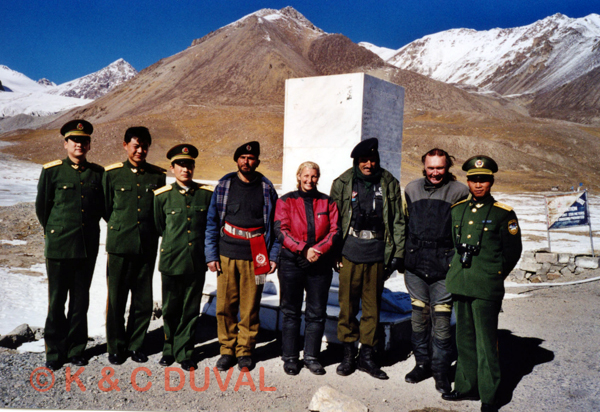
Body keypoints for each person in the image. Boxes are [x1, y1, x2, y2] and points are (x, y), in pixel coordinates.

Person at [442, 155, 522, 412]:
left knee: (487, 341)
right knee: (463, 338)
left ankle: (490, 395)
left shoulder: (503, 214)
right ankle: (466, 387)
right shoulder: (457, 210)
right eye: (474, 180)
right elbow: (452, 245)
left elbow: (512, 252)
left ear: (491, 182)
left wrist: (494, 274)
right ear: (467, 181)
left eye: (484, 180)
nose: (478, 185)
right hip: (461, 283)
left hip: (486, 286)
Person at [330, 137, 405, 380]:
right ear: (357, 162)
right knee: (348, 306)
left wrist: (396, 256)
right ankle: (348, 354)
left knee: (372, 308)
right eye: (364, 160)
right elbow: (332, 219)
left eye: (372, 160)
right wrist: (334, 251)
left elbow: (398, 222)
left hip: (377, 254)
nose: (369, 165)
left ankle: (368, 357)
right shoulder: (342, 183)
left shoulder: (389, 183)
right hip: (349, 252)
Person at [35, 120, 105, 370]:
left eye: (84, 140)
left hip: (86, 247)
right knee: (56, 301)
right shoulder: (52, 171)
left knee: (80, 301)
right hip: (59, 247)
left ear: (89, 144)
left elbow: (101, 208)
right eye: (74, 140)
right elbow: (43, 208)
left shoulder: (97, 173)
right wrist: (56, 233)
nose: (79, 144)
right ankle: (54, 351)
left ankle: (76, 349)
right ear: (65, 143)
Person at [205, 141, 280, 371]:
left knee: (250, 306)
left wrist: (273, 255)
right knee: (225, 305)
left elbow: (276, 227)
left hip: (257, 254)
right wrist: (211, 254)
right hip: (227, 252)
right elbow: (212, 222)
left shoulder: (267, 189)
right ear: (237, 160)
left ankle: (246, 351)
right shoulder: (224, 185)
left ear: (257, 161)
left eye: (251, 158)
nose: (247, 162)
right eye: (243, 158)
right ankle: (227, 350)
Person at [403, 148, 469, 393]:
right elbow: (404, 224)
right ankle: (422, 364)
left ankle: (440, 371)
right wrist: (402, 258)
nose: (435, 172)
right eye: (430, 167)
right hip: (416, 263)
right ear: (424, 166)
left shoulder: (460, 191)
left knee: (441, 320)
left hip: (445, 265)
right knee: (418, 317)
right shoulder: (411, 189)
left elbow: (464, 229)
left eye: (439, 168)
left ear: (447, 167)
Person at [103, 126, 166, 365]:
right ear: (125, 145)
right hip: (119, 245)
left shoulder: (157, 176)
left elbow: (157, 209)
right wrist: (123, 227)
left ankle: (136, 345)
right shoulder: (112, 174)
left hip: (147, 245)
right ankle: (116, 347)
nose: (140, 150)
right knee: (117, 299)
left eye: (144, 146)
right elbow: (108, 209)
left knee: (142, 299)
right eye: (135, 146)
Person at [274, 161, 341, 376]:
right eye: (306, 176)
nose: (309, 180)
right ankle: (291, 357)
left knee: (316, 312)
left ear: (318, 177)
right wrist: (303, 250)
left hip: (319, 264)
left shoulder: (327, 202)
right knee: (291, 311)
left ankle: (312, 356)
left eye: (314, 176)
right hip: (292, 263)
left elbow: (335, 231)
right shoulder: (286, 201)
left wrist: (318, 251)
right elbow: (281, 230)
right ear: (298, 176)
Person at [154, 144, 213, 371]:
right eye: (181, 165)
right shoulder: (161, 197)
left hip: (195, 261)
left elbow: (209, 227)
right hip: (171, 260)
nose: (185, 169)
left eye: (189, 165)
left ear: (194, 167)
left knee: (190, 309)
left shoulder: (205, 195)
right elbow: (160, 227)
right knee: (170, 308)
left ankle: (185, 351)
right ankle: (169, 349)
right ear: (172, 168)